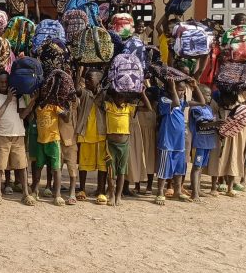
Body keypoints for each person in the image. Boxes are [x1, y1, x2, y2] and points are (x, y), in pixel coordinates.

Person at [155, 78, 204, 205]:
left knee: (179, 168)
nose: (181, 93)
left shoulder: (182, 102)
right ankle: (160, 192)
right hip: (167, 141)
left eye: (183, 90)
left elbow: (201, 102)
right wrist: (171, 88)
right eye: (179, 90)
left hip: (179, 141)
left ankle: (177, 191)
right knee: (164, 168)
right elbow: (175, 102)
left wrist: (195, 86)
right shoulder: (164, 100)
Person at [0, 73, 34, 205]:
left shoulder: (17, 97)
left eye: (6, 81)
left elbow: (23, 115)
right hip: (2, 135)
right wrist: (8, 100)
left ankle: (26, 193)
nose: (4, 84)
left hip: (18, 134)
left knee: (22, 165)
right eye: (1, 82)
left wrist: (33, 101)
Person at [105, 89, 152, 206]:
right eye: (117, 97)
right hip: (110, 145)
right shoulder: (109, 106)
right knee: (111, 172)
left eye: (122, 98)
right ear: (113, 97)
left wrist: (142, 94)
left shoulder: (129, 108)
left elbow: (148, 108)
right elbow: (97, 101)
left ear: (126, 99)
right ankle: (111, 195)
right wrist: (106, 88)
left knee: (121, 172)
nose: (119, 100)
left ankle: (118, 196)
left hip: (124, 144)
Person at [25, 86, 68, 206]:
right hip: (40, 141)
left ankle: (57, 195)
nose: (45, 94)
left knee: (56, 168)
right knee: (38, 167)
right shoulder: (37, 108)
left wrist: (64, 110)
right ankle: (35, 191)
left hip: (53, 141)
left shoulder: (54, 106)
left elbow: (66, 118)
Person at [75, 70, 107, 203]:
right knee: (83, 164)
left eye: (90, 79)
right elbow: (77, 89)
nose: (86, 81)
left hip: (101, 134)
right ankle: (82, 189)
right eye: (86, 79)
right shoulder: (85, 93)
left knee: (102, 165)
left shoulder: (104, 94)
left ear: (98, 81)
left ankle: (101, 190)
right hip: (85, 133)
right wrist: (78, 71)